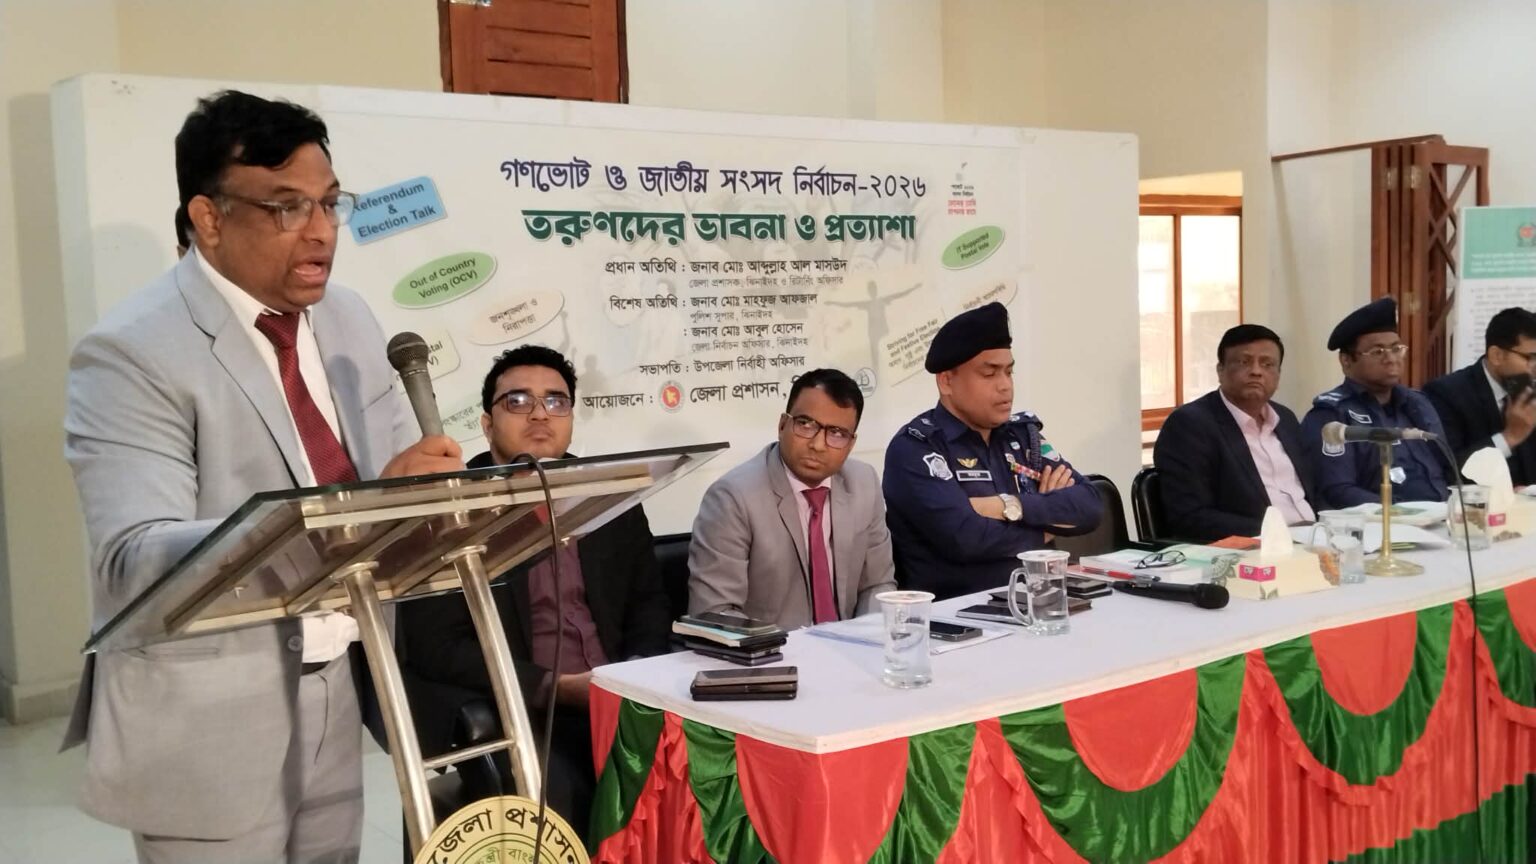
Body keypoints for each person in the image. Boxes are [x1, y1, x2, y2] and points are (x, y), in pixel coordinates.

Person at [62, 91, 462, 863]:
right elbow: (134, 559)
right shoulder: (130, 352)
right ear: (208, 219)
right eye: (286, 208)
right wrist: (360, 510)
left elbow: (391, 489)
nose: (321, 231)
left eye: (330, 204)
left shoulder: (348, 319)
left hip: (343, 679)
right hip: (206, 713)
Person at [399, 344, 669, 838]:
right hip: (526, 710)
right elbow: (437, 646)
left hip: (620, 699)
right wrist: (551, 686)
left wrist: (635, 674)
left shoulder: (607, 495)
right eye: (518, 401)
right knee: (557, 803)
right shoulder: (454, 510)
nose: (540, 414)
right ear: (487, 424)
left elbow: (648, 602)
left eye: (556, 401)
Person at [883, 302, 1100, 600]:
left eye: (1009, 372)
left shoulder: (1023, 438)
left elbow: (1090, 505)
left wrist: (1010, 506)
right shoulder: (916, 448)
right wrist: (1049, 526)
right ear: (946, 381)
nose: (1005, 386)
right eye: (989, 374)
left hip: (1038, 600)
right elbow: (966, 538)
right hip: (959, 613)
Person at [689, 368, 896, 627]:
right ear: (782, 425)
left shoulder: (864, 483)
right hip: (771, 649)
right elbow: (715, 613)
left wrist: (865, 637)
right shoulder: (733, 498)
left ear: (851, 444)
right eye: (806, 424)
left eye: (836, 433)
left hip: (849, 645)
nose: (818, 445)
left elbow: (878, 585)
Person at [1154, 324, 1316, 541]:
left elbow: (1313, 492)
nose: (1256, 371)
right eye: (1244, 362)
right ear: (1220, 370)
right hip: (1254, 548)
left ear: (1278, 375)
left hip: (1314, 540)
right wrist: (1280, 532)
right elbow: (1190, 516)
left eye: (1267, 364)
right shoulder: (1191, 424)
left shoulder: (1285, 419)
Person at [1300, 297, 1451, 509]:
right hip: (1379, 523)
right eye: (1378, 352)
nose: (1391, 359)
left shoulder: (1417, 403)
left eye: (1396, 349)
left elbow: (1446, 468)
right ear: (1346, 361)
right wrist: (1401, 514)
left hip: (1442, 517)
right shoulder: (1332, 414)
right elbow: (1337, 490)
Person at [1423, 307, 1536, 489]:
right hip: (1477, 504)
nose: (1534, 367)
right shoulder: (1446, 394)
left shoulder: (1528, 389)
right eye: (1530, 358)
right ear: (1497, 355)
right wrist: (1509, 437)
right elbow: (1449, 471)